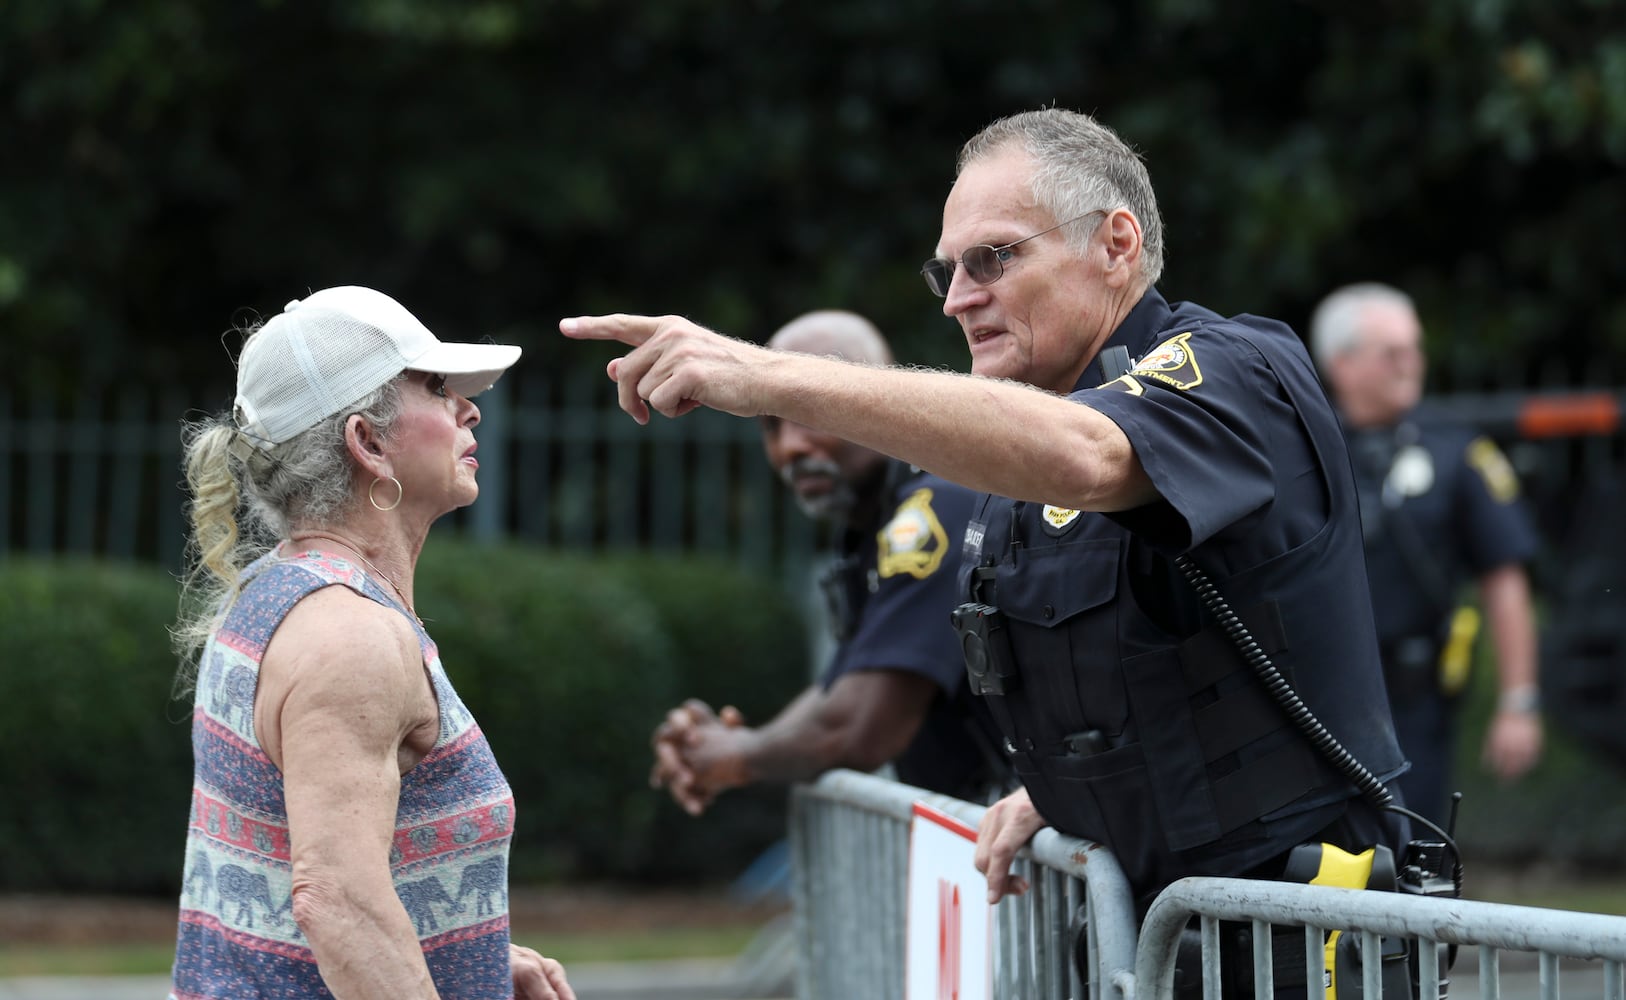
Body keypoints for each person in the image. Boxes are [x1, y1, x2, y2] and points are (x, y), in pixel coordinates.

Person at [562, 107, 1413, 913]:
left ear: (1115, 244)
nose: (955, 299)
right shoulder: (1016, 462)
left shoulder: (1233, 368)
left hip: (1300, 931)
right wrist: (1066, 796)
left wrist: (767, 380)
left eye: (992, 259)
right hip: (1150, 936)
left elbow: (1091, 454)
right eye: (947, 269)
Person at [170, 286, 574, 1000]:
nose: (469, 408)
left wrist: (461, 958)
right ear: (368, 442)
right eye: (439, 387)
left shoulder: (274, 589)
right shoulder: (350, 635)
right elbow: (338, 904)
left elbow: (279, 868)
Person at [649, 310, 1013, 817]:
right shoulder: (878, 521)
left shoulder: (933, 509)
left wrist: (735, 755)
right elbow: (843, 688)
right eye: (771, 425)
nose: (791, 446)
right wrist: (735, 746)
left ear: (873, 397)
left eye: (806, 410)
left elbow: (858, 725)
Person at [1310, 282, 1542, 824]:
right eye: (1392, 353)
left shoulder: (1456, 450)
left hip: (1415, 705)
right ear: (1340, 364)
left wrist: (1519, 701)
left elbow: (1504, 577)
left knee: (1418, 857)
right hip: (1318, 697)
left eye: (1415, 348)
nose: (1411, 364)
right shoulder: (1303, 446)